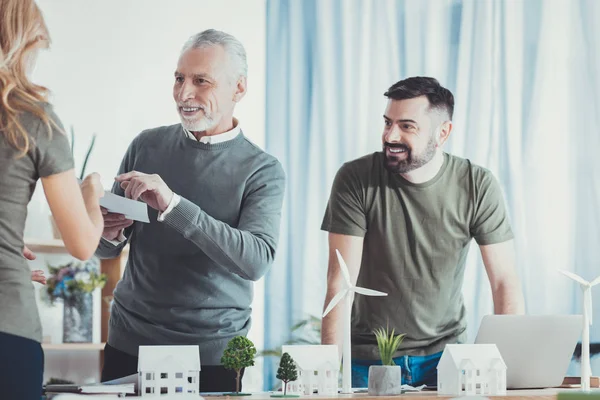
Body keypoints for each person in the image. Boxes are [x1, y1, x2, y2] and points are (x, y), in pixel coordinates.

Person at [96, 29, 285, 392]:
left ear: (239, 89)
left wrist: (173, 205)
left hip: (212, 355)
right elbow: (107, 248)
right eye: (179, 78)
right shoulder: (146, 145)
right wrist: (106, 232)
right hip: (128, 342)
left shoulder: (262, 169)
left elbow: (255, 260)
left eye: (201, 81)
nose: (185, 94)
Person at [320, 76, 524, 387]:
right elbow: (339, 283)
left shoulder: (477, 185)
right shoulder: (355, 179)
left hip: (448, 359)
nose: (390, 135)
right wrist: (326, 377)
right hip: (368, 360)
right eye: (388, 123)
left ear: (443, 133)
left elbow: (504, 282)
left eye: (407, 126)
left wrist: (510, 379)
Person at [0, 1, 105, 398]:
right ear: (25, 42)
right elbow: (81, 244)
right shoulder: (32, 119)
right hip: (8, 324)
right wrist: (91, 191)